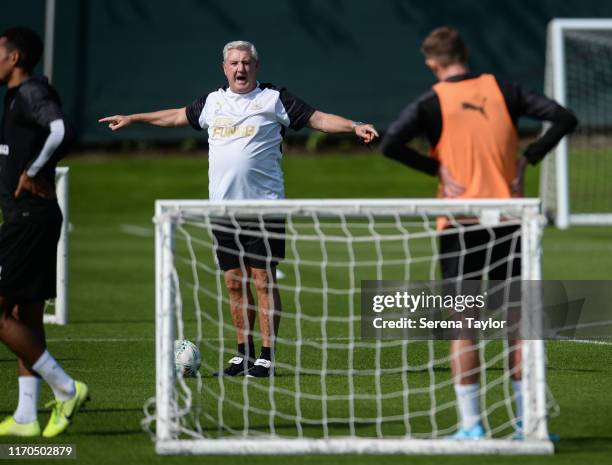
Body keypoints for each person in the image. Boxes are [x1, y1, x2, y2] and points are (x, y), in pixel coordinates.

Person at [100, 40, 379, 378]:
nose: (240, 69)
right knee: (234, 282)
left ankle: (266, 356)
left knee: (262, 280)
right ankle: (243, 355)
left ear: (256, 67)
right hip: (223, 211)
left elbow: (318, 119)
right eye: (234, 63)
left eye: (246, 63)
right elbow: (176, 116)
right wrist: (134, 118)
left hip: (263, 208)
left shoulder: (273, 99)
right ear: (224, 68)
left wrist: (353, 126)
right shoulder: (212, 103)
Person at [380, 26, 577, 438]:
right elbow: (563, 117)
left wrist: (437, 170)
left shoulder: (431, 101)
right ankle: (529, 425)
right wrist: (529, 159)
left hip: (459, 225)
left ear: (432, 63)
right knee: (517, 323)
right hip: (509, 221)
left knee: (464, 323)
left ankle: (472, 426)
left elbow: (390, 143)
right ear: (465, 52)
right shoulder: (503, 90)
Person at [0, 27, 88, 438]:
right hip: (29, 217)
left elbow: (61, 130)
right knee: (26, 315)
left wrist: (32, 173)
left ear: (14, 57)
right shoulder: (15, 97)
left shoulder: (34, 92)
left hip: (29, 218)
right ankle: (25, 416)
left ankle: (66, 388)